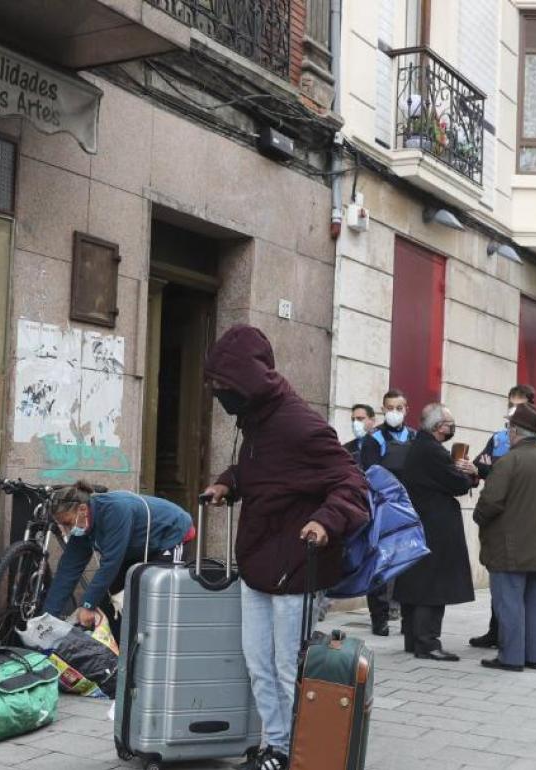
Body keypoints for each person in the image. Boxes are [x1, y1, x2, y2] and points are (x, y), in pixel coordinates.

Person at [202, 325, 368, 770]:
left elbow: (353, 485)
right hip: (259, 558)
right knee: (257, 663)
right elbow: (262, 471)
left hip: (296, 565)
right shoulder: (255, 420)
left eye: (224, 384)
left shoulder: (300, 424)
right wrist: (227, 484)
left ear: (247, 381)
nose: (219, 393)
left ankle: (297, 752)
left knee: (286, 669)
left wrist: (323, 521)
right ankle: (274, 745)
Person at [473, 403, 536, 672]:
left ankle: (511, 657)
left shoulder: (509, 462)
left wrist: (479, 517)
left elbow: (490, 503)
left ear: (514, 431)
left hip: (509, 547)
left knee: (509, 602)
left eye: (508, 427)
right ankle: (533, 656)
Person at [42, 482, 193, 633]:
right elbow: (67, 571)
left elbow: (111, 563)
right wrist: (47, 618)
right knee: (110, 596)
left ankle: (155, 645)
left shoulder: (115, 510)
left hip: (171, 535)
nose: (66, 530)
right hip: (136, 545)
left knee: (154, 595)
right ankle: (119, 648)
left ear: (82, 509)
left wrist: (87, 605)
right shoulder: (82, 524)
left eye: (68, 523)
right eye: (62, 525)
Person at [393, 403, 477, 661]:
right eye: (450, 424)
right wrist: (470, 474)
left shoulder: (418, 446)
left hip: (420, 523)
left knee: (415, 582)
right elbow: (458, 484)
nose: (452, 428)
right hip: (435, 526)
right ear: (440, 427)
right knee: (433, 586)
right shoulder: (433, 451)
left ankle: (412, 637)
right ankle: (428, 642)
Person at [469, 384, 536, 650]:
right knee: (507, 591)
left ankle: (512, 651)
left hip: (513, 523)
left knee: (513, 592)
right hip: (519, 526)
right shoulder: (499, 438)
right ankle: (517, 645)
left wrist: (480, 516)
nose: (512, 409)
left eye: (518, 404)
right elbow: (482, 465)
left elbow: (495, 488)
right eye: (510, 403)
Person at [359, 390, 415, 636]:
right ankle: (379, 619)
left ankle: (407, 620)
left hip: (409, 509)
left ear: (407, 409)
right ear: (383, 409)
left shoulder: (414, 437)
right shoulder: (374, 440)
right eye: (389, 407)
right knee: (380, 567)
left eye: (399, 407)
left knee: (408, 565)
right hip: (382, 509)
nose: (394, 412)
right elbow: (370, 475)